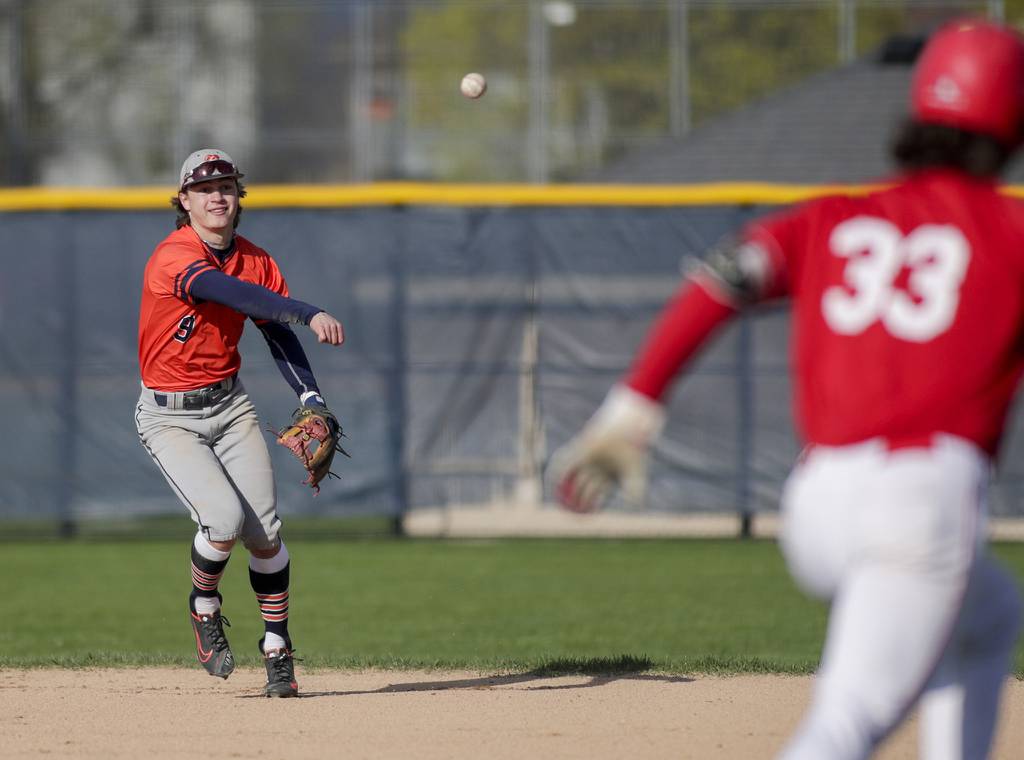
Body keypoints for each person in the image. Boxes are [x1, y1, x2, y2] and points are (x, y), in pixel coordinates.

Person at [549, 19, 1024, 759]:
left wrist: (632, 408)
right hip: (920, 502)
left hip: (817, 504)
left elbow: (718, 283)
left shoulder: (831, 218)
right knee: (843, 727)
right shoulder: (1011, 231)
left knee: (990, 612)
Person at [135, 149, 345, 698]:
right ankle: (204, 607)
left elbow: (273, 330)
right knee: (223, 521)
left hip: (230, 409)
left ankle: (277, 648)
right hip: (169, 418)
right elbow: (230, 293)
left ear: (238, 196)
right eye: (203, 189)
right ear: (184, 201)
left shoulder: (255, 259)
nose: (217, 195)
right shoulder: (174, 255)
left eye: (226, 185)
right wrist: (302, 308)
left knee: (267, 535)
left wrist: (311, 394)